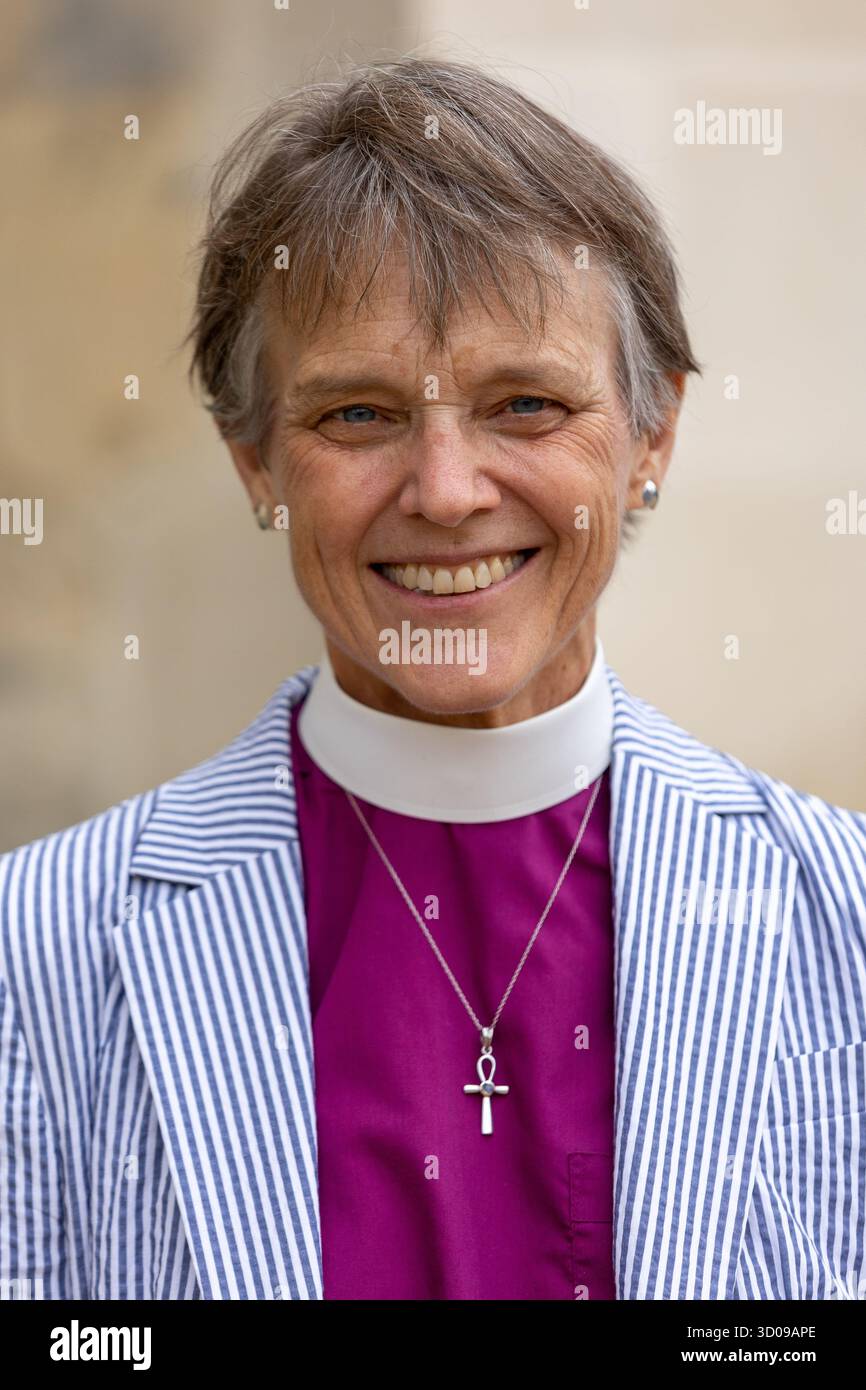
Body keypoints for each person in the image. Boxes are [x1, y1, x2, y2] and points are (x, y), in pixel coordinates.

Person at [2, 58, 864, 1302]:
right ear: (253, 459)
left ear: (651, 434)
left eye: (523, 403)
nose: (447, 490)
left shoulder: (840, 924)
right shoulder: (40, 952)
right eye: (355, 415)